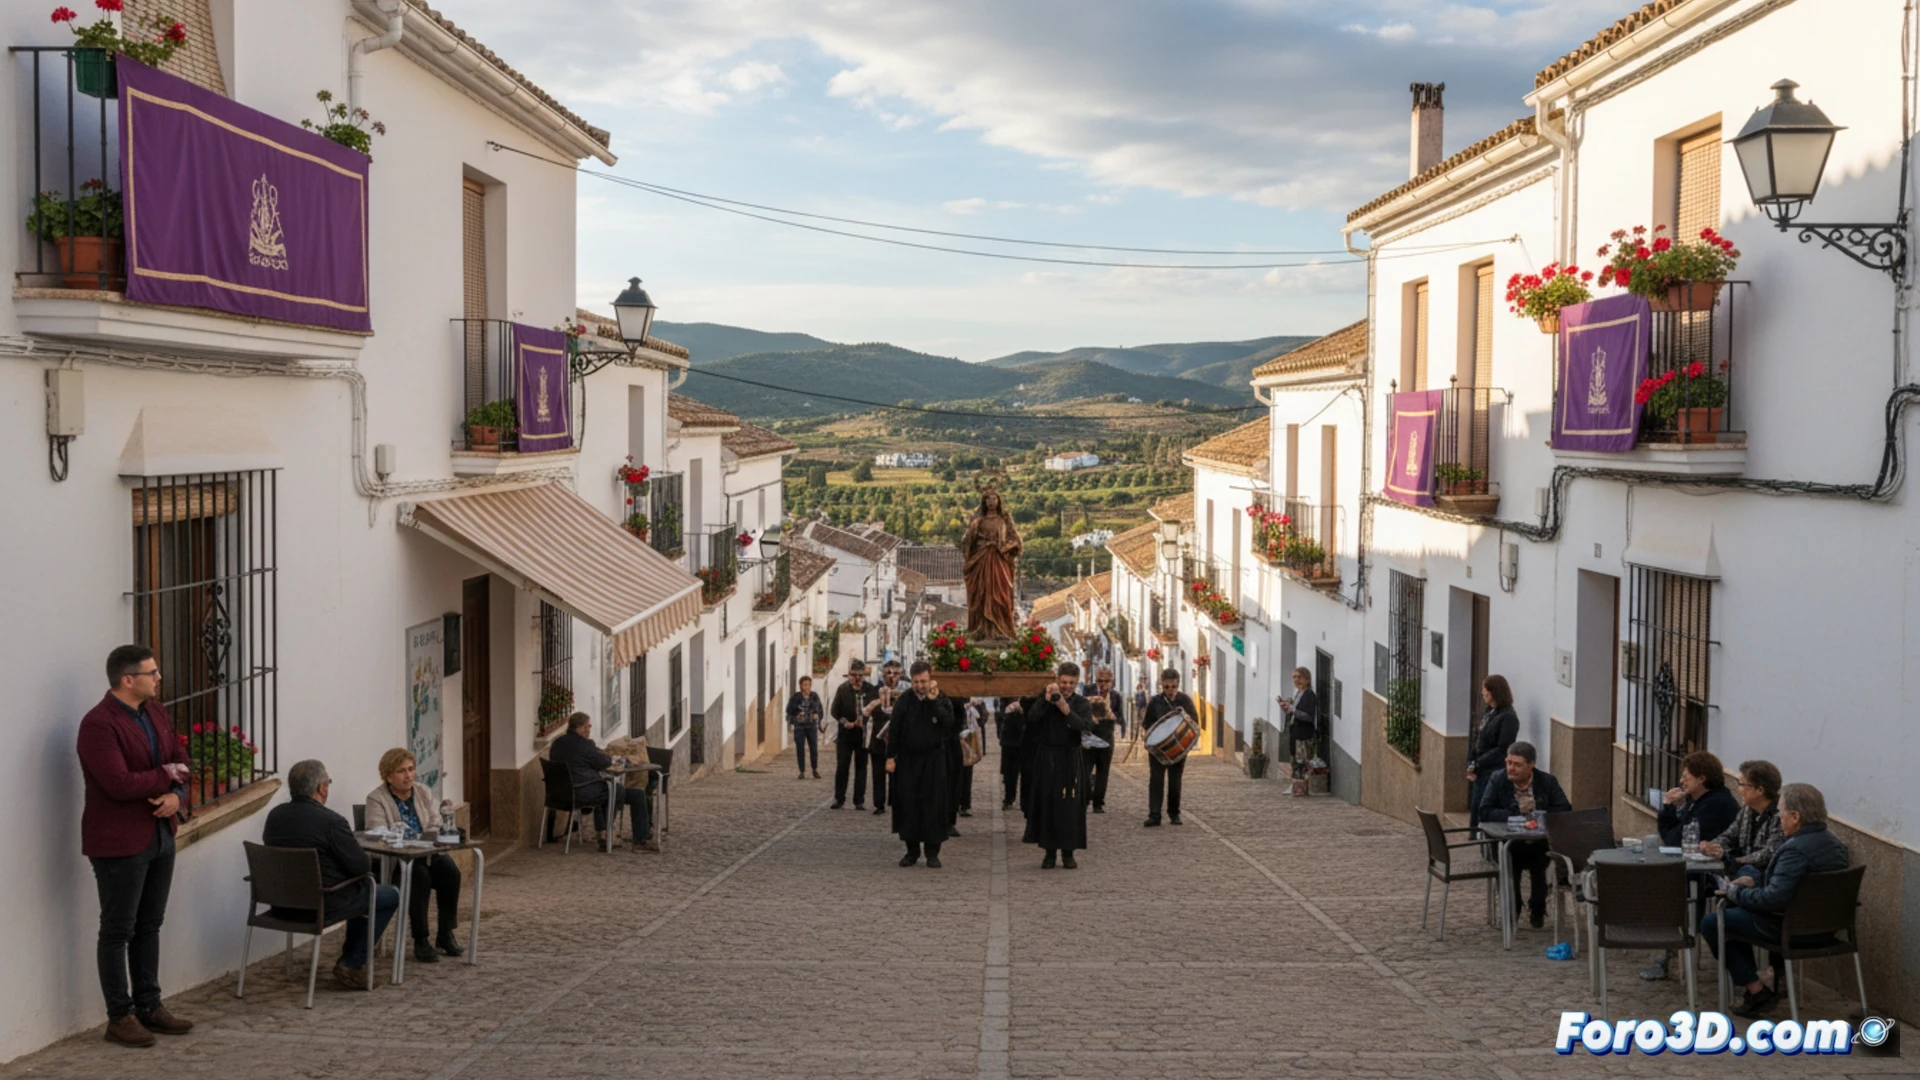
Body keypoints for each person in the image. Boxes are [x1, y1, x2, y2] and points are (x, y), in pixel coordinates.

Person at [78, 645, 194, 1047]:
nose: (159, 677)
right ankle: (119, 1016)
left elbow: (182, 761)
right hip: (118, 843)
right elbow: (118, 783)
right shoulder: (98, 724)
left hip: (161, 835)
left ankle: (150, 1005)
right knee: (117, 929)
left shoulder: (157, 713)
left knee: (150, 925)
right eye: (152, 672)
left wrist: (178, 796)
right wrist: (165, 775)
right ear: (128, 679)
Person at [1701, 783, 1851, 1018]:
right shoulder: (1835, 845)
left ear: (1795, 817)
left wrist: (1736, 893)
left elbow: (1772, 899)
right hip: (1827, 929)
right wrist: (1754, 880)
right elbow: (1789, 884)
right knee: (1745, 883)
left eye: (1781, 813)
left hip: (1789, 930)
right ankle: (1760, 985)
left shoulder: (1794, 850)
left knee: (1713, 922)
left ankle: (1756, 990)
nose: (1779, 818)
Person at [263, 760, 401, 990]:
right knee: (385, 894)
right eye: (327, 783)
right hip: (321, 905)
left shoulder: (275, 816)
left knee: (362, 892)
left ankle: (351, 960)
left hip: (281, 906)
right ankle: (351, 963)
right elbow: (361, 866)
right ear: (322, 788)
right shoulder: (331, 821)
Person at [363, 749, 464, 963]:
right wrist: (406, 839)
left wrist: (426, 836)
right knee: (419, 877)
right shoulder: (376, 799)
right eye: (401, 771)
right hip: (396, 863)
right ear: (388, 776)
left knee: (450, 871)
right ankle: (421, 939)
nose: (408, 776)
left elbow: (435, 821)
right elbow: (376, 832)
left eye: (411, 769)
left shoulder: (423, 791)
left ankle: (446, 933)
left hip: (426, 853)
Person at [1475, 741, 1572, 929]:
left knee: (1540, 866)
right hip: (1508, 842)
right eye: (1509, 763)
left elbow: (1564, 809)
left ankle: (1537, 908)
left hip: (1539, 842)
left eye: (1517, 764)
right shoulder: (1498, 779)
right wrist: (1516, 813)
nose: (1511, 768)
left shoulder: (1547, 781)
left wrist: (1539, 815)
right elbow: (1484, 811)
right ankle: (1513, 909)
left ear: (1531, 765)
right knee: (1510, 866)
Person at [1010, 662, 1093, 868]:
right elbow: (1032, 719)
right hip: (1047, 758)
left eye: (1071, 683)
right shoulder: (1045, 699)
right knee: (1047, 804)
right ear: (1057, 680)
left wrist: (1066, 710)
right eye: (1063, 682)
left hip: (1070, 758)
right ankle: (1049, 853)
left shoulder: (1081, 703)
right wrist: (1046, 700)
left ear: (1076, 682)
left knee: (1069, 807)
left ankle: (1068, 853)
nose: (1066, 687)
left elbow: (1084, 726)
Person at [887, 662, 960, 867]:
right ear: (911, 681)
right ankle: (911, 851)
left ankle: (932, 852)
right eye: (916, 682)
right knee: (909, 803)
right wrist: (890, 757)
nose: (920, 685)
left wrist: (934, 702)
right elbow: (895, 730)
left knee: (933, 804)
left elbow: (949, 724)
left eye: (924, 681)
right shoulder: (904, 700)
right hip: (908, 760)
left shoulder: (941, 698)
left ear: (930, 679)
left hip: (934, 759)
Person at [548, 712, 655, 850]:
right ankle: (640, 840)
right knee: (631, 794)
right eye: (588, 726)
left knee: (607, 789)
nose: (589, 729)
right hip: (582, 791)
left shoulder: (557, 743)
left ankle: (603, 832)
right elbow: (603, 762)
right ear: (581, 728)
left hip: (559, 794)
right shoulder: (585, 745)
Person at [961, 486, 1023, 640]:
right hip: (981, 559)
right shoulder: (978, 521)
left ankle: (1001, 630)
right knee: (981, 594)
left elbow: (1016, 540)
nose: (991, 502)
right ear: (984, 502)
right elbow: (967, 542)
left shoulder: (1004, 520)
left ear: (998, 501)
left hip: (998, 560)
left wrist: (1006, 547)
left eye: (994, 498)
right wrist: (972, 532)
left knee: (1000, 595)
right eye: (988, 499)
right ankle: (981, 628)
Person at [1701, 760, 1786, 872]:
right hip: (1743, 872)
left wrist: (1732, 860)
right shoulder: (1747, 810)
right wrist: (1712, 846)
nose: (1739, 789)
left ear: (1760, 790)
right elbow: (1729, 836)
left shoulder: (1781, 815)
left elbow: (1768, 854)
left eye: (1741, 784)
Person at [1142, 669, 1197, 827]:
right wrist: (1157, 737)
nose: (1170, 690)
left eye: (1173, 686)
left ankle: (1174, 813)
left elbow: (1194, 722)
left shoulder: (1185, 701)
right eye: (1166, 687)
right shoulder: (1155, 702)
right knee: (1156, 780)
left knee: (1175, 781)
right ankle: (1154, 815)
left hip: (1179, 749)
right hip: (1158, 749)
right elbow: (1147, 723)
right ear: (1162, 686)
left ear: (1178, 685)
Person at [1464, 675, 1518, 827]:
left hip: (1493, 769)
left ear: (1495, 692)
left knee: (1484, 806)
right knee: (1476, 806)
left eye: (1485, 690)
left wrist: (1478, 763)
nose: (1483, 693)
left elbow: (1502, 748)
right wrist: (1471, 762)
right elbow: (1478, 740)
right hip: (1481, 768)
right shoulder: (1489, 712)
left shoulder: (1508, 717)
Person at [1658, 750, 1740, 849]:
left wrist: (1668, 806)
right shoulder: (1696, 800)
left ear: (1701, 779)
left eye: (1685, 777)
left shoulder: (1716, 804)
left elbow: (1676, 841)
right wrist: (1669, 807)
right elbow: (1675, 834)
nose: (1681, 781)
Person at [830, 661, 878, 810]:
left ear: (864, 675)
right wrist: (846, 723)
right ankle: (839, 798)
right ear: (849, 675)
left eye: (860, 675)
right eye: (853, 675)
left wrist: (864, 721)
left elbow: (876, 708)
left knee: (861, 767)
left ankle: (859, 801)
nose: (857, 678)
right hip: (846, 735)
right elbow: (835, 711)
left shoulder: (871, 690)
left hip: (863, 735)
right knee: (842, 766)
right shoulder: (843, 689)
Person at [868, 661, 904, 816]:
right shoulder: (874, 692)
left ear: (900, 675)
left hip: (897, 741)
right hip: (878, 739)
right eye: (888, 673)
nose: (891, 677)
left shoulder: (904, 693)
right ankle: (879, 804)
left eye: (895, 673)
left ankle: (895, 801)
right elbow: (870, 712)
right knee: (878, 773)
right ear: (883, 675)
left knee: (897, 774)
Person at [1086, 667, 1123, 813]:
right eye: (1100, 681)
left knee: (1103, 771)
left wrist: (1110, 714)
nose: (1103, 684)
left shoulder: (1116, 697)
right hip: (1090, 735)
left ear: (1111, 682)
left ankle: (1098, 803)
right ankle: (1085, 797)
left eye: (1106, 681)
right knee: (1086, 769)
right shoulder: (1088, 690)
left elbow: (1120, 718)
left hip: (1107, 735)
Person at [1276, 666, 1321, 782]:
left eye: (1299, 677)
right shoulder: (1299, 693)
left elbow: (1308, 716)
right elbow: (1293, 712)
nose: (1296, 680)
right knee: (1296, 761)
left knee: (1303, 762)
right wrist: (1285, 707)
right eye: (1294, 677)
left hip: (1304, 735)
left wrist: (1293, 710)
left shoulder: (1309, 695)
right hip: (1296, 733)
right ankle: (1298, 785)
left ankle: (1303, 785)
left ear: (1307, 680)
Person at [785, 675, 825, 780]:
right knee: (800, 748)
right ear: (801, 686)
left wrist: (818, 718)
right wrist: (796, 717)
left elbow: (820, 709)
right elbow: (789, 711)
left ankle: (814, 769)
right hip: (799, 727)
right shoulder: (795, 697)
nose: (807, 687)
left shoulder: (814, 696)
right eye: (805, 685)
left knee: (814, 748)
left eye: (809, 685)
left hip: (811, 726)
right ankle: (801, 771)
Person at [996, 695, 1028, 812]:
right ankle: (1009, 798)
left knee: (1027, 773)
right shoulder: (1006, 696)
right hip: (1009, 739)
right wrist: (1008, 711)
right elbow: (1000, 715)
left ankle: (1026, 801)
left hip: (1025, 738)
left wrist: (1022, 710)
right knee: (1009, 773)